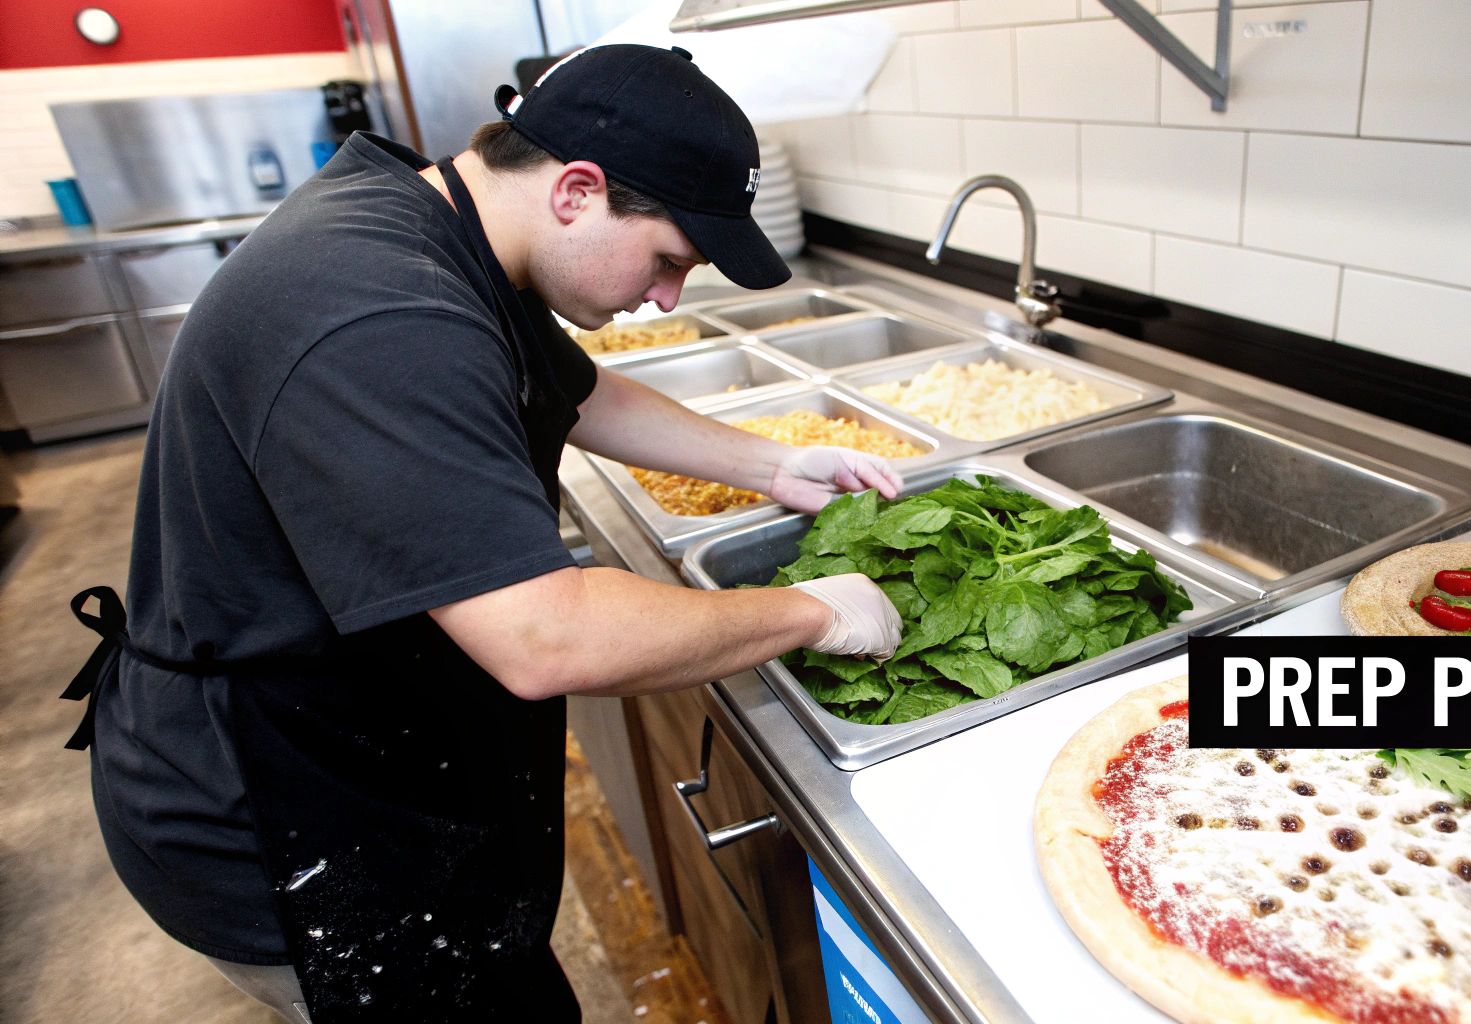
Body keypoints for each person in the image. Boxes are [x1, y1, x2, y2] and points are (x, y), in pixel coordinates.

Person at [60, 44, 903, 1024]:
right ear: (577, 192)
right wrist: (810, 612)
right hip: (280, 815)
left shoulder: (440, 220)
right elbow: (546, 636)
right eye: (669, 259)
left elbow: (573, 391)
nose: (667, 296)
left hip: (363, 750)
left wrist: (767, 464)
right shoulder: (378, 310)